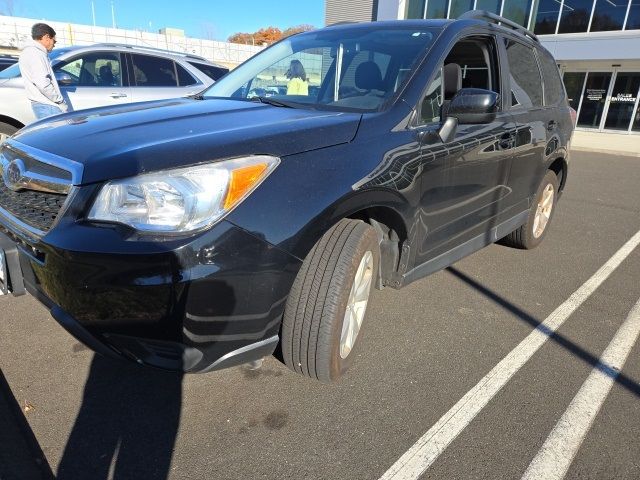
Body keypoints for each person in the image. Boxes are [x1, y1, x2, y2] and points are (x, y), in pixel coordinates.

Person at [18, 23, 70, 121]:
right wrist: (59, 100)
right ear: (46, 37)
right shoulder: (36, 54)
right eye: (54, 40)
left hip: (43, 104)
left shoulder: (29, 52)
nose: (54, 44)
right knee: (57, 135)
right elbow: (43, 84)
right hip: (48, 105)